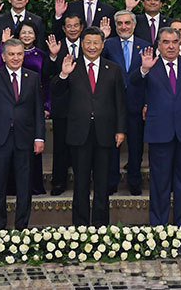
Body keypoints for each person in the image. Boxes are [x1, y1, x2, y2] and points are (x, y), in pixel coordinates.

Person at [130, 27, 181, 226]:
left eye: (175, 42)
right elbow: (133, 85)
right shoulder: (149, 64)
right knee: (159, 182)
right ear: (159, 45)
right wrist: (144, 70)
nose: (171, 46)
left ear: (180, 44)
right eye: (166, 42)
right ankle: (158, 225)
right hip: (159, 132)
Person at [51, 27, 126, 226]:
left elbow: (120, 102)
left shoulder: (113, 69)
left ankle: (100, 227)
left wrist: (120, 129)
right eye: (88, 43)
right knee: (80, 183)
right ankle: (81, 226)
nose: (92, 47)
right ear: (81, 44)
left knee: (102, 184)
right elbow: (56, 94)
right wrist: (63, 75)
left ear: (102, 45)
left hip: (105, 133)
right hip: (79, 133)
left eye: (96, 43)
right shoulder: (71, 66)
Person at [0, 39, 45, 230]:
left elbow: (38, 109)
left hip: (24, 137)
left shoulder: (32, 77)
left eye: (19, 54)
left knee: (24, 185)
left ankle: (22, 226)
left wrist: (39, 137)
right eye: (11, 54)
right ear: (4, 57)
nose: (15, 58)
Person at [102, 10, 151, 195]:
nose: (123, 27)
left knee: (136, 146)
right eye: (120, 23)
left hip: (136, 104)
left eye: (127, 23)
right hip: (112, 104)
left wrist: (147, 103)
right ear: (115, 26)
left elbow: (150, 79)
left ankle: (134, 181)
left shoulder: (145, 46)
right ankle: (111, 181)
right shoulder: (108, 44)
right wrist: (102, 37)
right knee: (112, 146)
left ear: (134, 25)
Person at [42, 13, 85, 195]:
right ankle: (59, 182)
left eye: (76, 25)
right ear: (64, 28)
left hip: (84, 104)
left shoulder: (89, 44)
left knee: (83, 146)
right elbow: (46, 73)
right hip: (62, 104)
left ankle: (83, 182)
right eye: (69, 26)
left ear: (81, 27)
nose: (73, 29)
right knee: (60, 147)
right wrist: (53, 56)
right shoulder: (56, 46)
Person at [17, 23, 50, 195]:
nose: (27, 35)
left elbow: (46, 81)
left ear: (36, 35)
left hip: (34, 104)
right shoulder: (12, 53)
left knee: (33, 146)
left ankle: (34, 185)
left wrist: (46, 105)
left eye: (30, 32)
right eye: (24, 32)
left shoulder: (42, 55)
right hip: (15, 104)